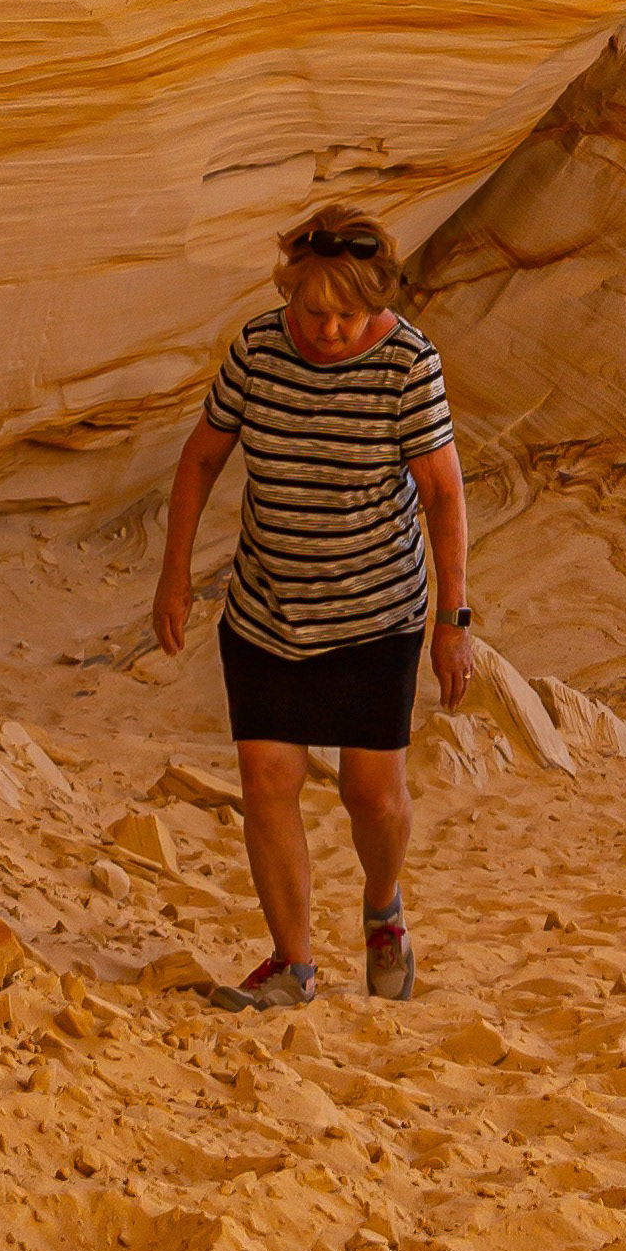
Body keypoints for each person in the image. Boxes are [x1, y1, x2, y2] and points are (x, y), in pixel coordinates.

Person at [150, 203, 474, 1004]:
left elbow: (442, 493)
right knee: (267, 777)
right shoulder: (258, 349)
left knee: (373, 796)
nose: (329, 331)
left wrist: (452, 621)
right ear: (288, 290)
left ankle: (383, 910)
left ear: (376, 304)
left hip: (377, 614)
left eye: (349, 315)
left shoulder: (408, 362)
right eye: (314, 311)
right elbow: (199, 460)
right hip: (267, 610)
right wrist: (174, 573)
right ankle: (292, 965)